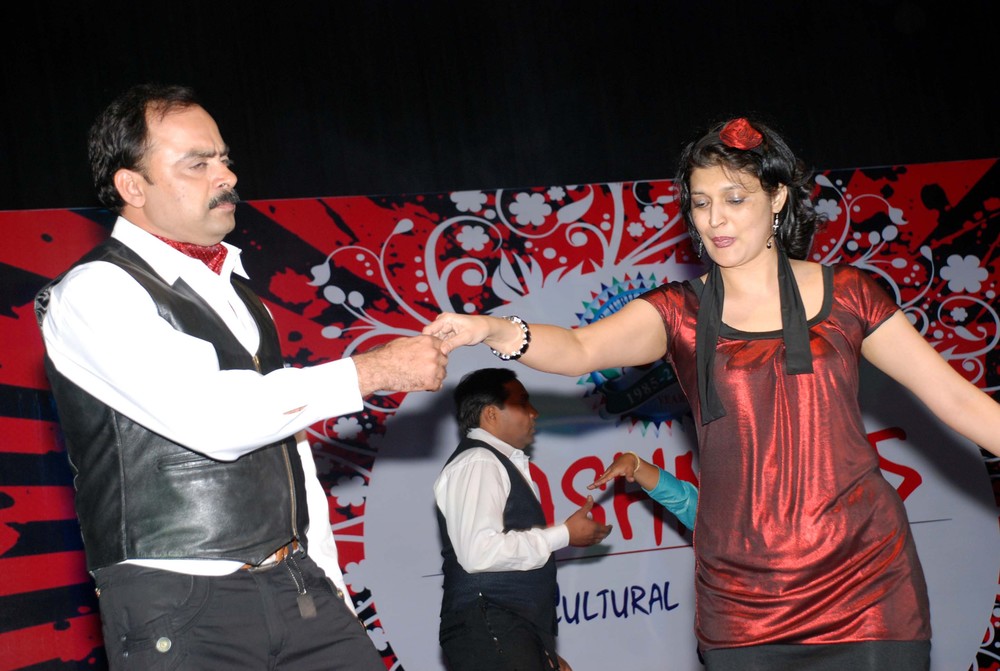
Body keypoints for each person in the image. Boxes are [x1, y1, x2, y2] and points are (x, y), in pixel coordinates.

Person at [423, 116, 1000, 670]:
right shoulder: (680, 312)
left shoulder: (849, 294)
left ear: (777, 197)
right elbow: (579, 347)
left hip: (865, 583)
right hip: (743, 598)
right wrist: (492, 329)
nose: (715, 219)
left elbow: (958, 401)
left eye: (734, 198)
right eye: (701, 203)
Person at [34, 83, 448, 671]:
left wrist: (328, 581)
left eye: (224, 159)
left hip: (297, 584)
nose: (226, 176)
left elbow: (290, 453)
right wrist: (370, 370)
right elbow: (216, 418)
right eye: (197, 164)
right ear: (132, 187)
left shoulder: (240, 294)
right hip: (180, 604)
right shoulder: (95, 291)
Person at [433, 367, 613, 671]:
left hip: (505, 628)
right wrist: (564, 534)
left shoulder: (492, 462)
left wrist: (539, 646)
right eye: (522, 402)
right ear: (491, 414)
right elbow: (479, 553)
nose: (534, 412)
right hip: (489, 623)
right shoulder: (479, 461)